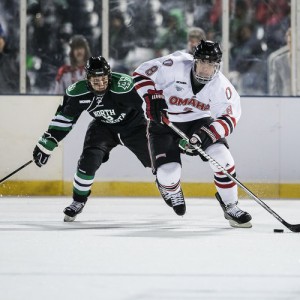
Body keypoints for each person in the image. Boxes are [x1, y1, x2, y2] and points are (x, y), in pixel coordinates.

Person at [133, 40, 252, 228]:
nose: (206, 69)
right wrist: (150, 95)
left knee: (223, 159)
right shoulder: (175, 65)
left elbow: (230, 117)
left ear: (217, 65)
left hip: (199, 121)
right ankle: (170, 187)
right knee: (169, 174)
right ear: (194, 60)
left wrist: (208, 133)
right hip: (164, 123)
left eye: (211, 64)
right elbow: (140, 73)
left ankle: (230, 205)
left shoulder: (221, 85)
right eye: (203, 62)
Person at [33, 56, 151, 222]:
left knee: (158, 161)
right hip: (103, 128)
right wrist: (47, 144)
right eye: (95, 80)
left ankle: (169, 188)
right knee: (88, 161)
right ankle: (77, 201)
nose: (101, 84)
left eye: (103, 79)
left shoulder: (124, 85)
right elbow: (64, 119)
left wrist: (167, 134)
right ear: (87, 78)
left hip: (135, 127)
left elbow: (151, 106)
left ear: (109, 76)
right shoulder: (77, 92)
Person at [268, 27, 291, 96]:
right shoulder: (279, 61)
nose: (291, 45)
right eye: (289, 42)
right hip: (286, 103)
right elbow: (275, 89)